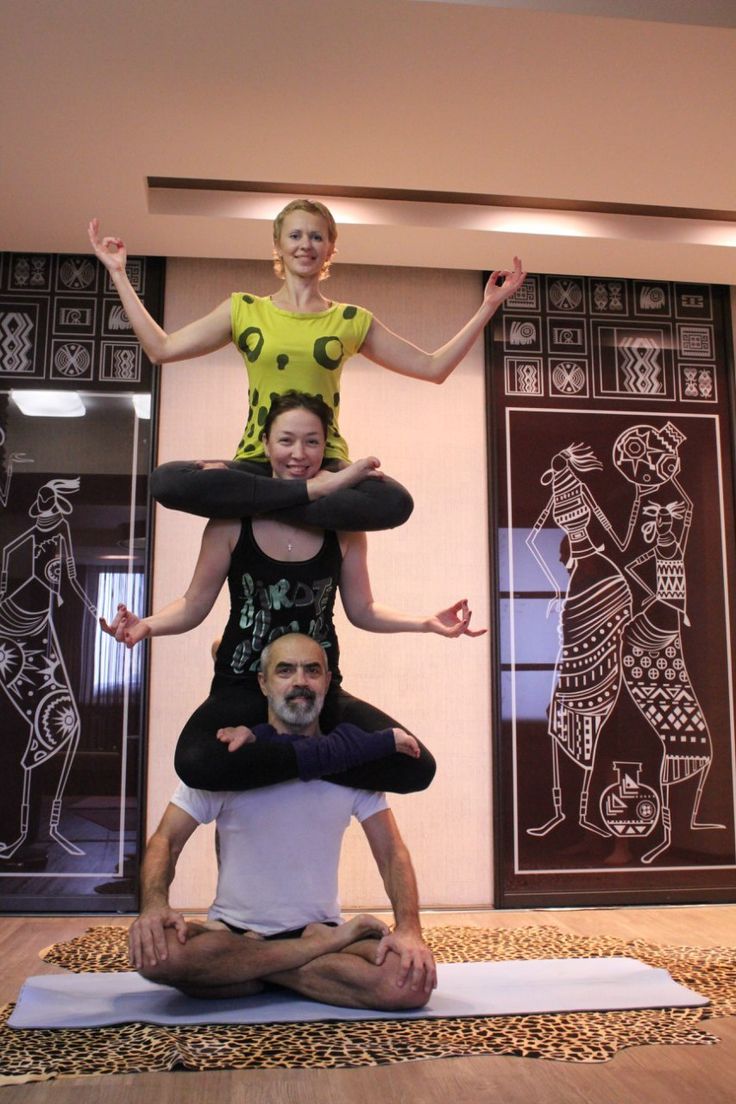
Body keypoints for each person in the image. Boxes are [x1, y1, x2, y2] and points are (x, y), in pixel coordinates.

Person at [101, 390, 484, 795]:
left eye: (312, 441)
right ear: (265, 444)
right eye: (286, 440)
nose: (298, 453)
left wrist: (425, 622)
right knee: (195, 762)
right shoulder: (231, 524)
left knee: (416, 767)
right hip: (243, 682)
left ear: (326, 448)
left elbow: (363, 609)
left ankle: (282, 749)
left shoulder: (344, 530)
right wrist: (147, 626)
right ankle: (319, 752)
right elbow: (194, 604)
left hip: (315, 688)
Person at [88, 199, 525, 530]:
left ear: (331, 247)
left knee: (395, 503)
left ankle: (271, 501)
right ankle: (298, 498)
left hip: (327, 462)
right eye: (295, 235)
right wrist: (119, 274)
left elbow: (433, 368)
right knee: (167, 480)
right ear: (278, 244)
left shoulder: (350, 320)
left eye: (316, 236)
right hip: (258, 459)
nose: (305, 245)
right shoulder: (244, 310)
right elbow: (161, 348)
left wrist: (488, 306)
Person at [130, 633, 436, 1010]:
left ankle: (244, 973)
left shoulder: (351, 765)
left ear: (326, 682)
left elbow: (392, 853)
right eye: (285, 670)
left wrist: (410, 930)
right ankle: (302, 959)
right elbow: (165, 840)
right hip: (236, 932)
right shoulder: (230, 762)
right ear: (263, 683)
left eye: (312, 671)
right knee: (157, 955)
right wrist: (154, 905)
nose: (300, 682)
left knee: (408, 985)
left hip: (318, 929)